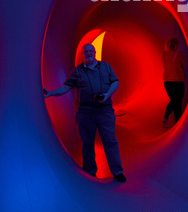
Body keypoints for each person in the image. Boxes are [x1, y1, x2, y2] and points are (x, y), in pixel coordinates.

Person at [43, 43, 126, 182]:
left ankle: (118, 172)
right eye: (85, 51)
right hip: (86, 112)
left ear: (95, 52)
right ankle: (90, 171)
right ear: (83, 54)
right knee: (87, 142)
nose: (88, 53)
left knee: (110, 141)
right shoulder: (78, 71)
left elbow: (115, 82)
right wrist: (50, 93)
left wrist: (106, 96)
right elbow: (66, 87)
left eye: (90, 51)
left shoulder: (105, 66)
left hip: (105, 111)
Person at [162, 37, 186, 128]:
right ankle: (178, 123)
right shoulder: (178, 54)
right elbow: (184, 64)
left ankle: (167, 118)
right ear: (176, 45)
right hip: (178, 81)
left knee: (174, 101)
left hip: (167, 82)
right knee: (178, 102)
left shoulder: (164, 54)